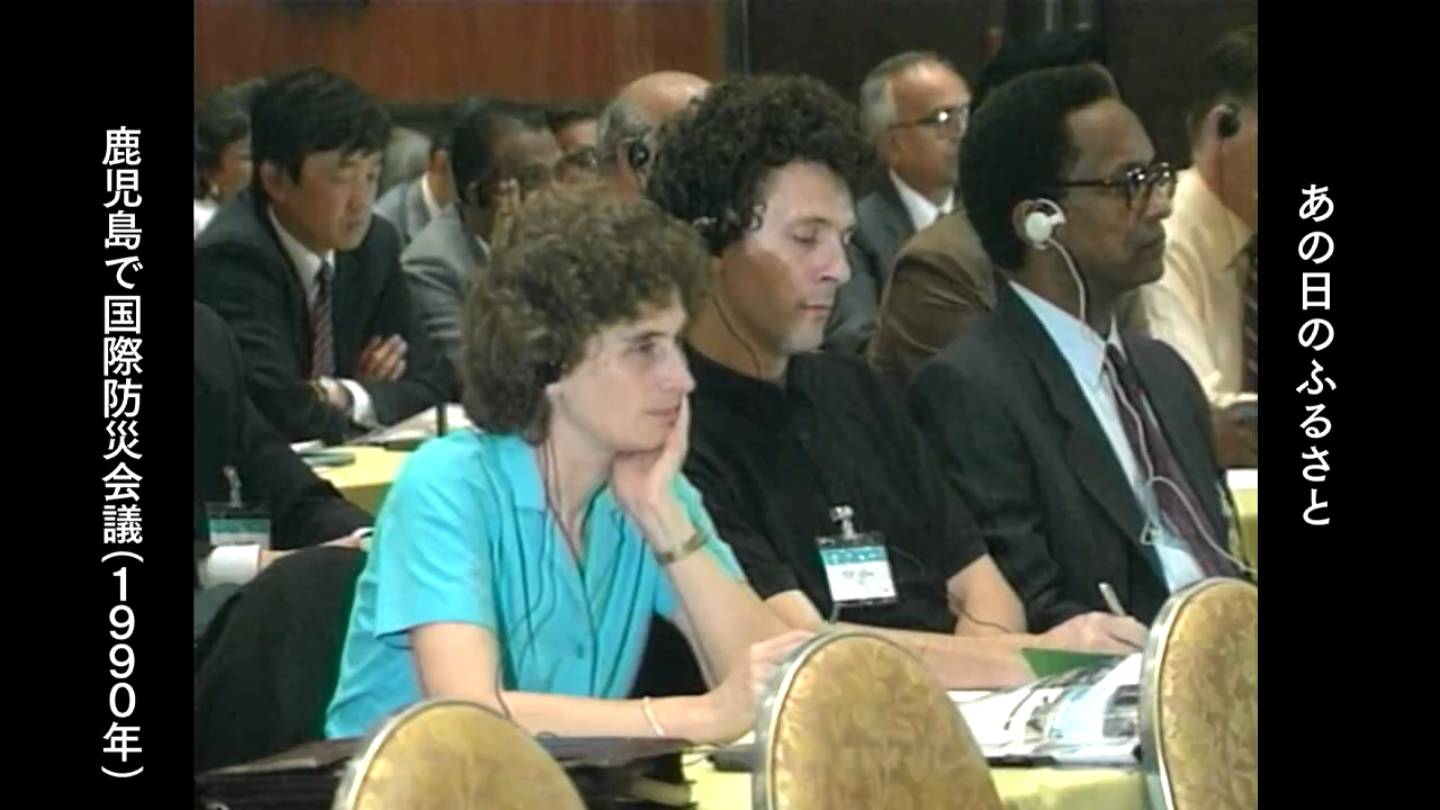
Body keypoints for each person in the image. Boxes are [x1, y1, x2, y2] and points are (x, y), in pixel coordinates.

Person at [649, 75, 1146, 690]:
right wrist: (1023, 660)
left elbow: (986, 591)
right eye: (805, 239)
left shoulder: (859, 390)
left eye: (844, 239)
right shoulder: (672, 428)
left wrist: (978, 682)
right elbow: (801, 647)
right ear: (709, 244)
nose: (837, 269)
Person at [326, 182, 800, 742]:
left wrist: (664, 518)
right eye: (644, 348)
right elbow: (467, 712)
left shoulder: (649, 486)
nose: (682, 379)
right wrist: (696, 715)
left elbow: (776, 691)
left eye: (676, 344)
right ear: (548, 357)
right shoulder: (448, 484)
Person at [910, 67, 1243, 631]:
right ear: (1039, 221)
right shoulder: (971, 390)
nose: (1159, 205)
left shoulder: (1164, 372)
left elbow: (1222, 556)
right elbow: (1034, 609)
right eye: (1129, 182)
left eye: (1157, 176)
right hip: (1122, 671)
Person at [195, 67, 451, 444]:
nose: (361, 202)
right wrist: (370, 398)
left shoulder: (374, 244)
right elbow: (279, 411)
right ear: (275, 180)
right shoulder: (233, 258)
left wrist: (343, 394)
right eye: (341, 178)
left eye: (371, 175)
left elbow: (436, 381)